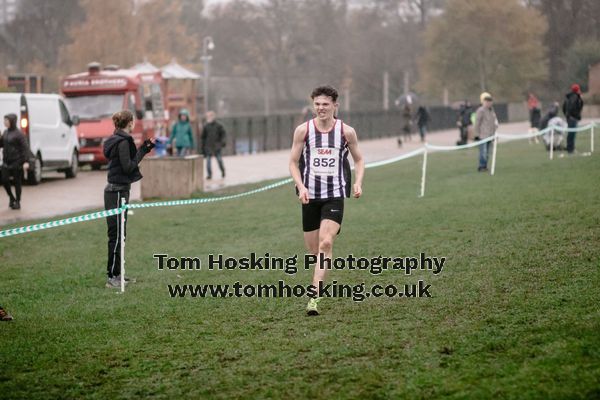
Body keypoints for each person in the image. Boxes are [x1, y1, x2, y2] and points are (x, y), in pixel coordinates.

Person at [289, 85, 365, 316]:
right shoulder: (303, 130)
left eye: (325, 104)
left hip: (334, 195)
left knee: (326, 244)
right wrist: (300, 186)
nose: (321, 108)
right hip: (309, 196)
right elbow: (293, 162)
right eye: (317, 104)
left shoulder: (346, 132)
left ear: (335, 105)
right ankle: (320, 277)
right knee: (314, 252)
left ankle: (314, 298)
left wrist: (358, 182)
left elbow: (359, 160)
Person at [102, 110, 155, 288]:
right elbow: (128, 167)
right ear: (130, 122)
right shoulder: (123, 142)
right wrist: (141, 152)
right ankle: (112, 276)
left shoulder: (115, 139)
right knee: (116, 236)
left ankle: (118, 273)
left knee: (120, 235)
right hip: (116, 192)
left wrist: (143, 150)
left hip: (119, 190)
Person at [1, 113, 29, 210]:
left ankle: (17, 201)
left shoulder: (19, 134)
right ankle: (11, 197)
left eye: (6, 121)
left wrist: (26, 161)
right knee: (4, 180)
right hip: (6, 162)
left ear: (12, 122)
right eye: (4, 120)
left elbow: (25, 148)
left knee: (17, 182)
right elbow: (2, 145)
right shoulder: (5, 132)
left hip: (17, 161)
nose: (5, 122)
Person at [474, 92, 498, 172]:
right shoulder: (481, 110)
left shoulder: (491, 111)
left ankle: (485, 166)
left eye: (490, 102)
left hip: (490, 135)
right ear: (484, 102)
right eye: (488, 102)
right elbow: (477, 123)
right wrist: (476, 134)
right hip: (483, 135)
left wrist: (494, 133)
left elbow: (494, 123)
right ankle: (481, 166)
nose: (489, 103)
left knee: (488, 152)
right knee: (483, 152)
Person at [201, 111, 226, 180]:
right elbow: (203, 137)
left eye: (210, 116)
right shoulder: (206, 126)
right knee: (208, 162)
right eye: (208, 117)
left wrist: (222, 142)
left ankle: (223, 171)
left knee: (219, 160)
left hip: (216, 146)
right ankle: (209, 175)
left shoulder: (218, 125)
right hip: (208, 146)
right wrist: (203, 147)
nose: (209, 118)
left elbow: (223, 134)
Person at [562, 83, 584, 154]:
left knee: (570, 134)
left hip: (570, 118)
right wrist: (574, 116)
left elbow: (564, 107)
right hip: (573, 118)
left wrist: (566, 115)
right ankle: (571, 149)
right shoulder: (575, 97)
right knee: (572, 134)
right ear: (577, 90)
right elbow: (577, 107)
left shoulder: (569, 97)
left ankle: (570, 148)